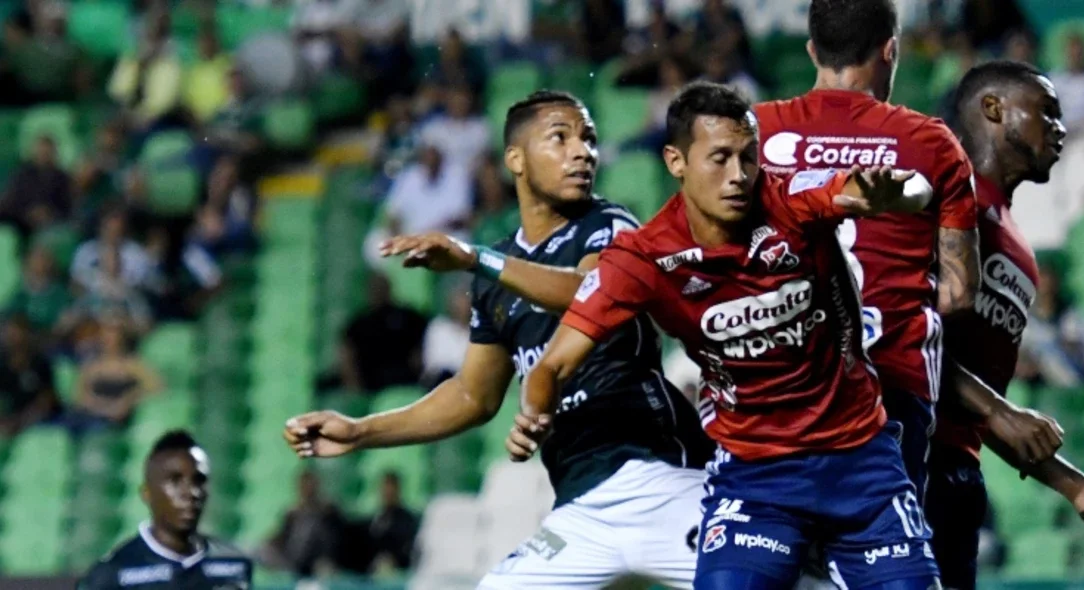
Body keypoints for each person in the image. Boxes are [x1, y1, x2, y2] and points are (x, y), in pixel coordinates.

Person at [511, 81, 938, 589]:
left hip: (860, 460)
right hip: (756, 477)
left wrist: (897, 194)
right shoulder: (643, 257)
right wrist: (535, 414)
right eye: (719, 158)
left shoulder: (793, 197)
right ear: (676, 161)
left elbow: (914, 189)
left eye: (748, 157)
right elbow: (554, 364)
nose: (738, 176)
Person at [284, 90, 713, 589]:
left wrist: (475, 259)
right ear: (516, 159)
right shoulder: (498, 276)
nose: (583, 152)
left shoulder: (609, 226)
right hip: (581, 510)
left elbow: (590, 293)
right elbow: (473, 395)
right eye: (561, 138)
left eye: (590, 139)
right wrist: (361, 431)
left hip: (659, 476)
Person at [754, 0, 985, 505]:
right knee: (881, 544)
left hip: (776, 387)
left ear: (812, 50)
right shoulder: (932, 143)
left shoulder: (756, 131)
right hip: (890, 385)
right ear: (890, 51)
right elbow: (959, 294)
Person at [932, 60, 1084, 590]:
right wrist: (1000, 411)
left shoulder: (1021, 255)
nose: (1060, 129)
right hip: (892, 459)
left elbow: (986, 409)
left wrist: (1073, 486)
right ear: (993, 108)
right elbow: (895, 337)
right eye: (1047, 112)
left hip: (955, 478)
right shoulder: (934, 200)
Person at [79, 430, 253, 589]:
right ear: (147, 493)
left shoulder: (235, 563)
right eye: (175, 481)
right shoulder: (113, 573)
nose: (191, 493)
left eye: (199, 480)